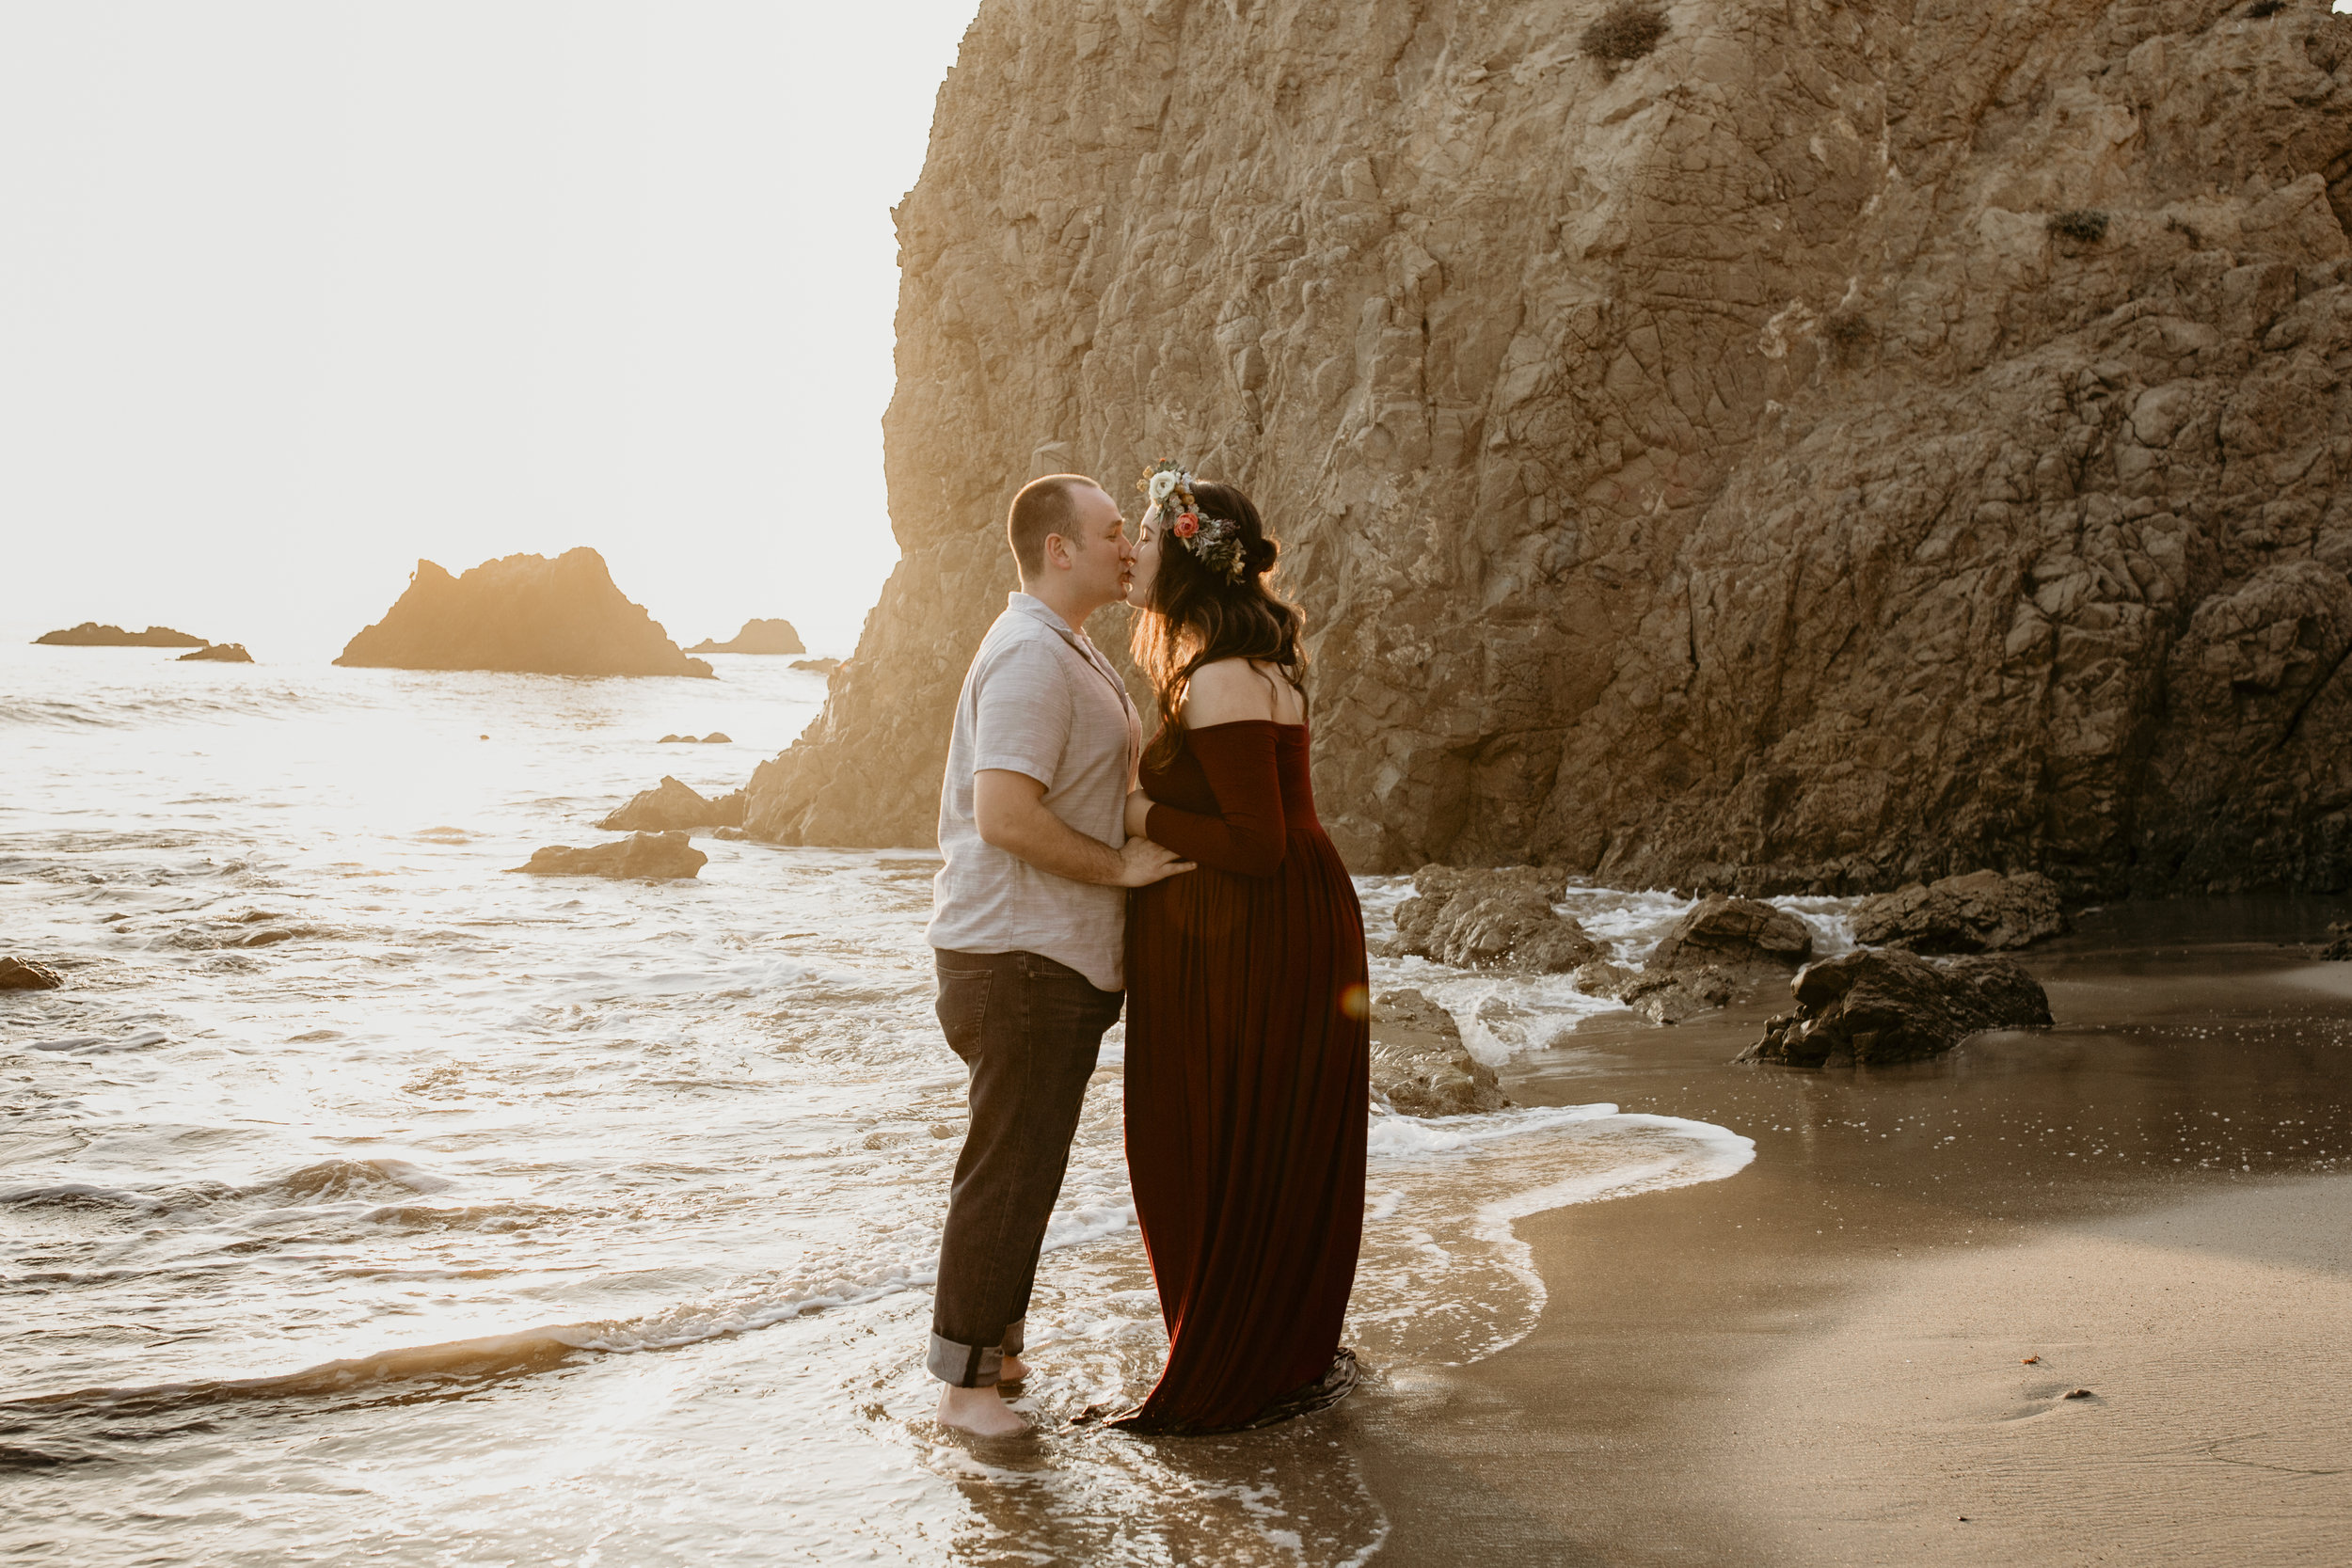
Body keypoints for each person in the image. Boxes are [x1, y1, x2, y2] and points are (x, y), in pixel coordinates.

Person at [925, 472, 1194, 1438]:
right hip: (1016, 955)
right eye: (1114, 531)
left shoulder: (1069, 648)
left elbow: (1091, 789)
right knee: (1009, 1165)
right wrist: (1119, 872)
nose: (1133, 545)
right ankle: (963, 1391)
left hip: (1043, 956)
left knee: (1028, 1160)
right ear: (1059, 549)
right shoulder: (1032, 658)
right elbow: (1004, 815)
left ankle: (995, 1356)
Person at [1110, 464, 1371, 1433]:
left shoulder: (1221, 674)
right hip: (1279, 928)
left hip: (1260, 934)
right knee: (1255, 1148)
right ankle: (1270, 1352)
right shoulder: (1230, 664)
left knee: (1215, 1145)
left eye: (1145, 530)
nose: (1131, 549)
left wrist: (1134, 809)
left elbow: (1255, 845)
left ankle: (1235, 1365)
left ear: (1186, 555)